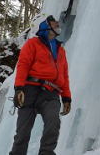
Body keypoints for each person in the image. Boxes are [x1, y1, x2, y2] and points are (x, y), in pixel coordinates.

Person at [10, 15, 71, 155]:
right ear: (47, 27)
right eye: (55, 24)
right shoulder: (32, 44)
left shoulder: (60, 50)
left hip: (51, 93)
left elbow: (65, 76)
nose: (58, 26)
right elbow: (23, 65)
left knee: (53, 123)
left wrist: (66, 98)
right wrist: (19, 88)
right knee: (22, 133)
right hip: (30, 90)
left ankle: (46, 153)